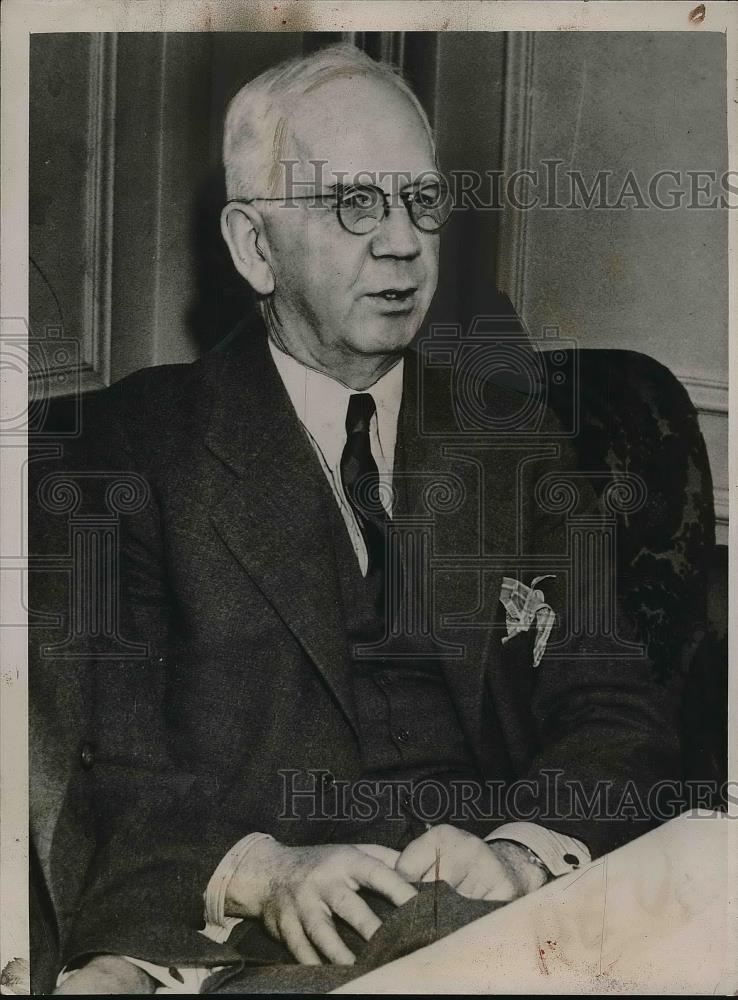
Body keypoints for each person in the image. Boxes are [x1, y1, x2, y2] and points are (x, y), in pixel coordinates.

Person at [54, 43, 678, 994]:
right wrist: (261, 873)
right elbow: (102, 756)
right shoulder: (130, 448)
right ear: (252, 247)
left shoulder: (506, 437)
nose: (401, 243)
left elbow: (614, 703)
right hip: (284, 953)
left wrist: (519, 849)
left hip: (510, 923)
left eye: (421, 202)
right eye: (353, 204)